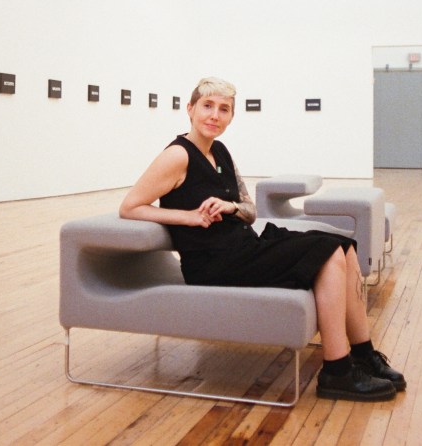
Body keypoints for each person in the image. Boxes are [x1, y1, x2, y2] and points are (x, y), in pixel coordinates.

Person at [119, 77, 406, 402]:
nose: (215, 115)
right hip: (214, 263)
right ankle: (337, 372)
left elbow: (250, 211)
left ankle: (364, 354)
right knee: (328, 253)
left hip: (243, 246)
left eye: (224, 109)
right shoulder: (177, 156)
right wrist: (186, 217)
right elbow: (130, 207)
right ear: (190, 109)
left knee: (344, 246)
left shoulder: (220, 152)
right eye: (207, 106)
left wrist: (230, 206)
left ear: (231, 116)